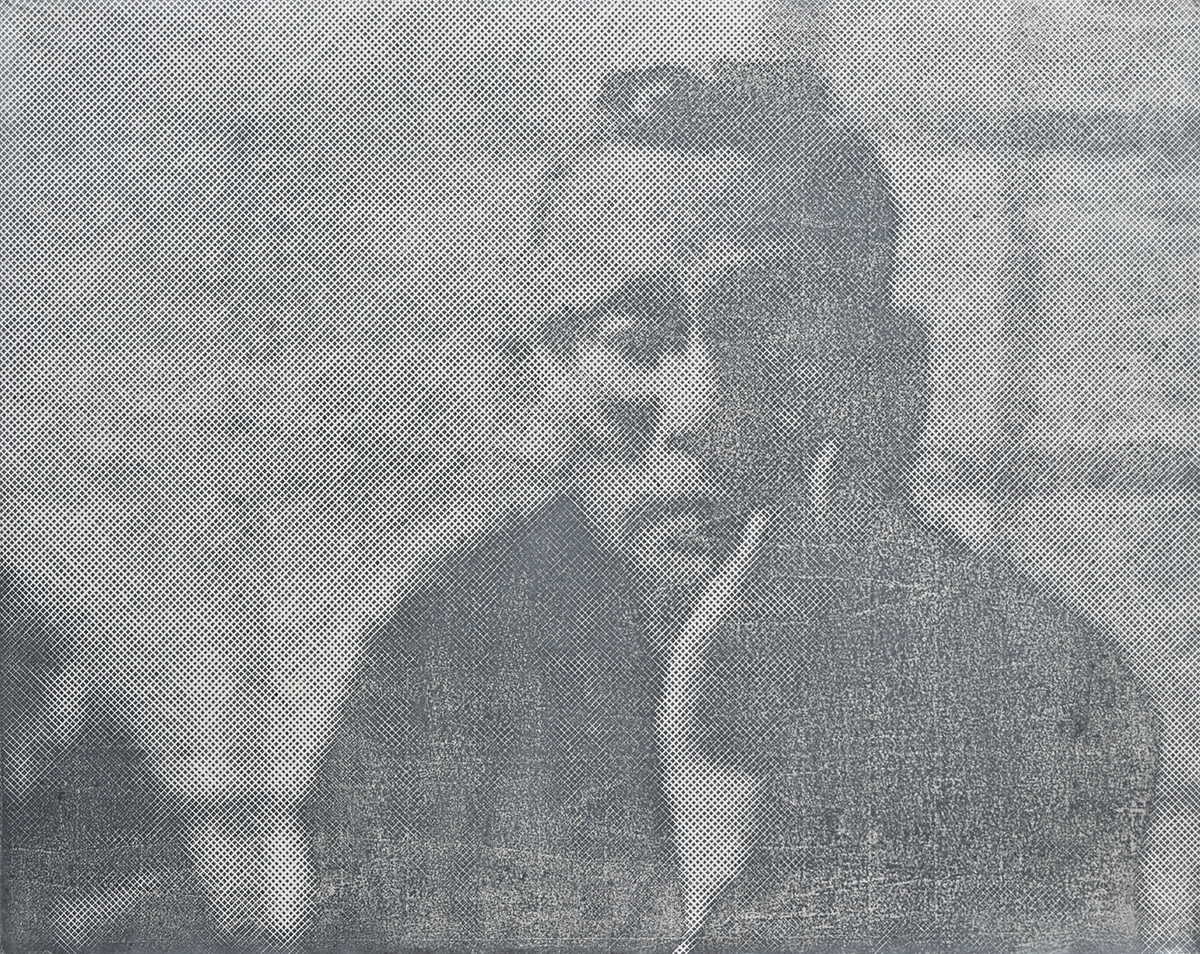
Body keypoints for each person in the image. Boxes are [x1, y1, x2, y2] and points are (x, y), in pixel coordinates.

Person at [303, 60, 1158, 953]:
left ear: (884, 372)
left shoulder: (1038, 688)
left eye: (761, 334)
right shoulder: (441, 664)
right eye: (637, 343)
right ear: (540, 382)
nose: (700, 409)